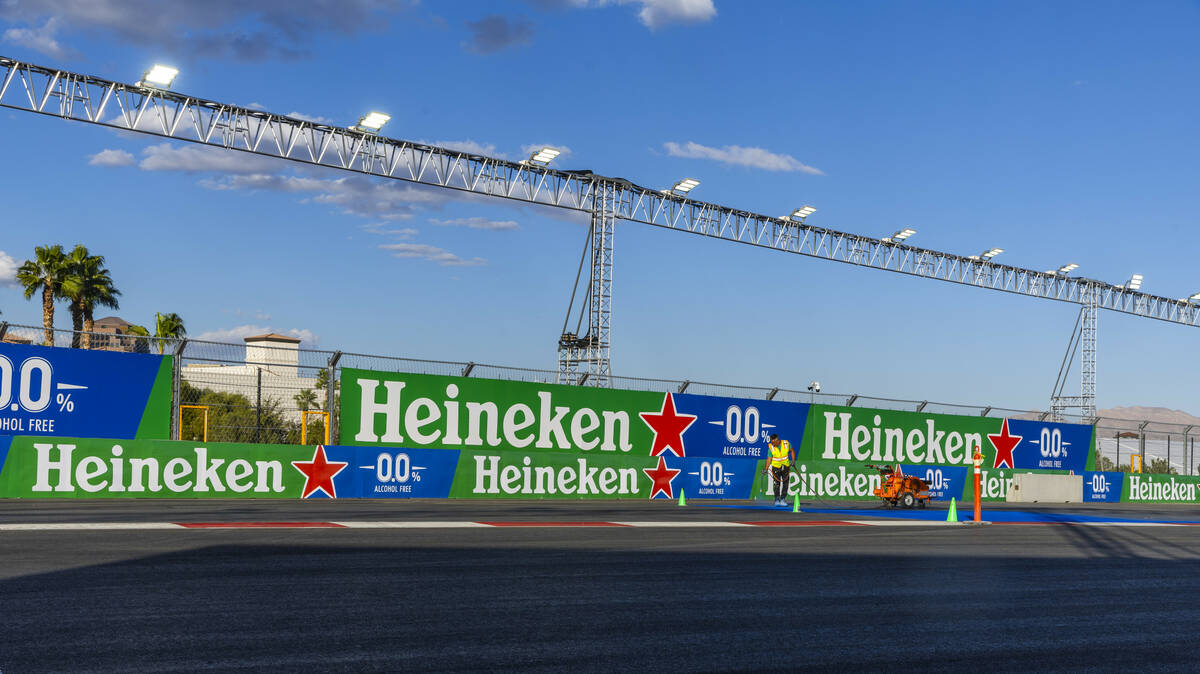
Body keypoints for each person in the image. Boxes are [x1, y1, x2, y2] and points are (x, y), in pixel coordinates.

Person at [765, 433, 795, 506]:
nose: (772, 444)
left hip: (785, 466)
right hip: (776, 467)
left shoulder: (786, 444)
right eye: (771, 442)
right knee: (776, 484)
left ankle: (783, 499)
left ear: (777, 440)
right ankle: (777, 499)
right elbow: (769, 459)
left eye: (773, 443)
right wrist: (766, 469)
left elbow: (792, 451)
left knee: (785, 483)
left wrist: (793, 461)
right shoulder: (771, 448)